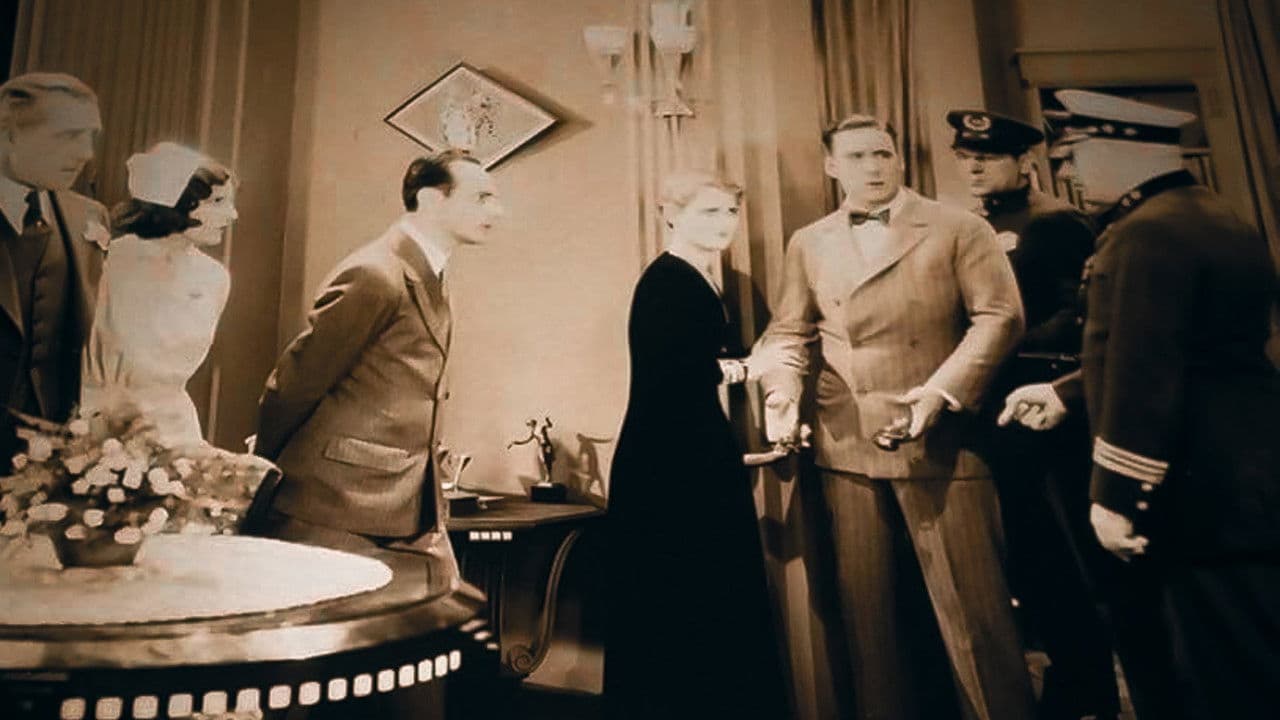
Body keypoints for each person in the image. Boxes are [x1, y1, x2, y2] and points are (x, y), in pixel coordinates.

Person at [756, 114, 1031, 720]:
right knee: (870, 628)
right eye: (857, 157)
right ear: (832, 166)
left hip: (942, 443)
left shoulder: (958, 227)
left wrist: (941, 392)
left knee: (976, 620)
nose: (874, 167)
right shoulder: (809, 241)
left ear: (900, 159)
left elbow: (1000, 317)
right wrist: (781, 389)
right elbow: (789, 332)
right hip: (847, 448)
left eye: (883, 154)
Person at [1018, 88, 1280, 719]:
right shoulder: (1214, 214)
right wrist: (1066, 392)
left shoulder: (1144, 235)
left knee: (1222, 677)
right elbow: (1193, 350)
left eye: (1077, 154)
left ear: (1123, 149)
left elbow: (1145, 370)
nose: (1068, 171)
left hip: (1196, 490)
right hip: (1241, 476)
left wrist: (1115, 497)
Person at [253, 149, 502, 593]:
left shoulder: (431, 273)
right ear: (431, 199)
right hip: (333, 503)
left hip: (400, 503)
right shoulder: (376, 272)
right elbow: (295, 384)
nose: (496, 211)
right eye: (481, 197)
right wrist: (269, 474)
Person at [947, 110, 1116, 719]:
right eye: (966, 158)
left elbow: (1082, 314)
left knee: (1067, 550)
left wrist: (1000, 343)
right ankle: (1071, 680)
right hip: (997, 409)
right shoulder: (970, 224)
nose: (973, 168)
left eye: (987, 158)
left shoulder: (1054, 222)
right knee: (1028, 554)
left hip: (1048, 406)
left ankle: (1089, 689)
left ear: (1024, 162)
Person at [604, 171, 789, 720]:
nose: (724, 223)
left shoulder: (695, 278)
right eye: (709, 212)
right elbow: (675, 373)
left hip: (681, 452)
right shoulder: (668, 280)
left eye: (730, 212)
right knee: (685, 597)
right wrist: (751, 368)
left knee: (698, 597)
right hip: (667, 465)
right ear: (671, 215)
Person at [81, 142, 237, 449]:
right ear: (174, 201)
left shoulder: (214, 277)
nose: (232, 215)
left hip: (176, 427)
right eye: (217, 201)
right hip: (100, 425)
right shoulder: (112, 260)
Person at [0, 73, 106, 471]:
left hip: (45, 464)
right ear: (9, 134)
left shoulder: (89, 218)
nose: (86, 153)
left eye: (90, 137)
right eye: (68, 136)